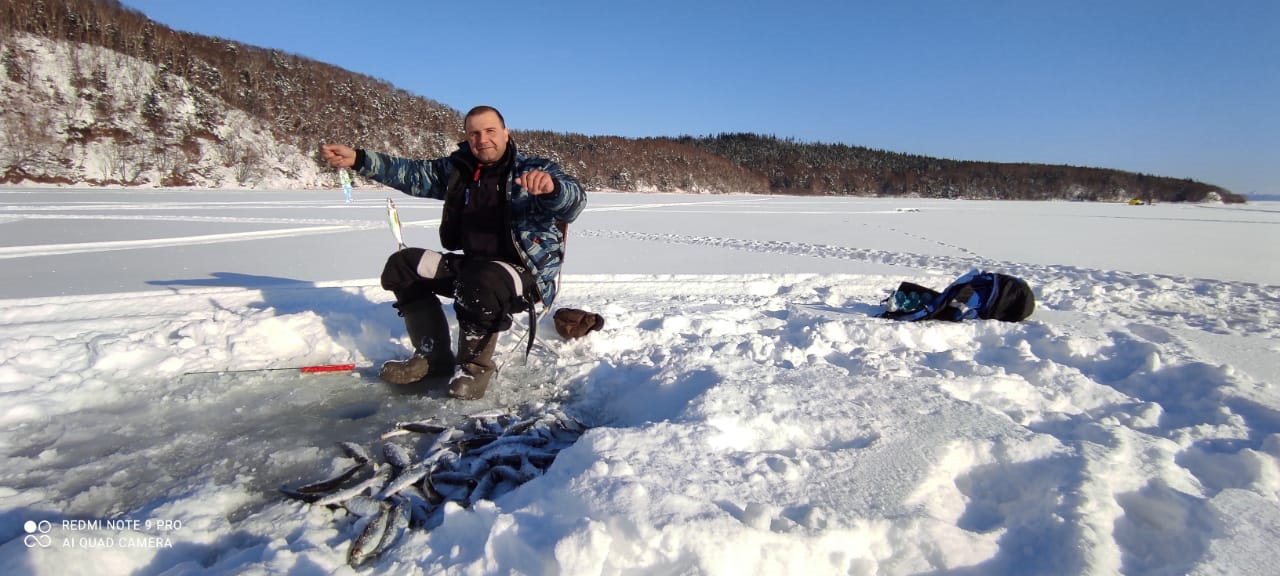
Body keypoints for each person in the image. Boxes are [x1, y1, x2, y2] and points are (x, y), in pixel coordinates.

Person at [320, 106, 586, 399]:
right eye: (474, 133)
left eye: (490, 131)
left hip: (523, 276)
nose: (482, 139)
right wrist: (358, 159)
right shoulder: (459, 170)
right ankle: (433, 357)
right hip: (472, 266)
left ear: (506, 133)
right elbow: (411, 174)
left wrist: (552, 189)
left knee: (481, 279)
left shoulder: (535, 170)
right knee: (403, 265)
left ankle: (473, 368)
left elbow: (574, 202)